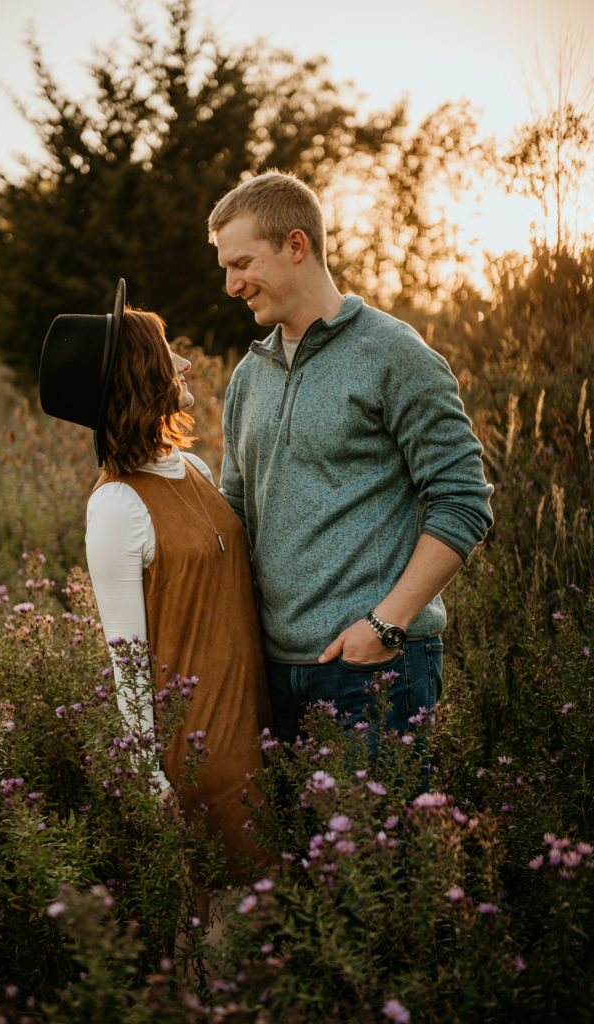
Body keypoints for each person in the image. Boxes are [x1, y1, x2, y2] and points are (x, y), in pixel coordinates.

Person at [208, 171, 494, 754]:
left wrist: (386, 625)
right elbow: (234, 513)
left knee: (382, 848)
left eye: (241, 264)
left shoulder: (394, 355)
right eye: (225, 270)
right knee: (292, 848)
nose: (232, 285)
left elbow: (463, 499)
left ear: (296, 244)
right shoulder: (247, 378)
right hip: (270, 675)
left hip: (371, 671)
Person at [39, 280, 271, 880]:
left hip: (261, 721)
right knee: (232, 912)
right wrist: (149, 779)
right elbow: (127, 658)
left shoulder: (192, 467)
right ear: (140, 374)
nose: (185, 361)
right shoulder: (116, 505)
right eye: (168, 352)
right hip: (202, 745)